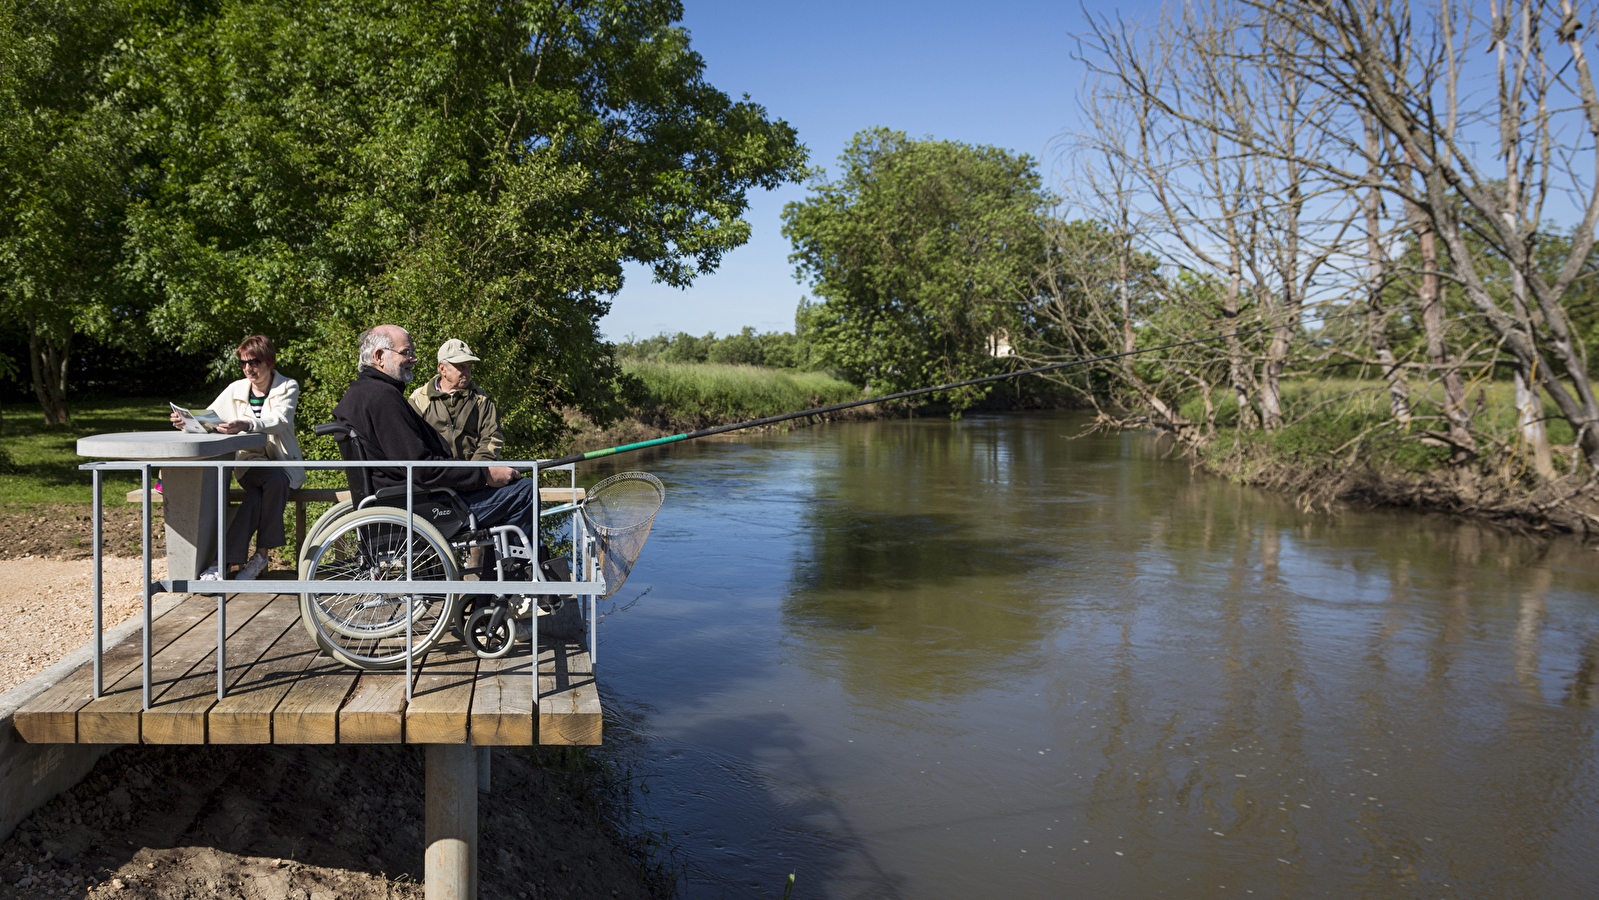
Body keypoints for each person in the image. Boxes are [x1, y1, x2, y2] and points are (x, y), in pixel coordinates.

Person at [331, 325, 538, 546]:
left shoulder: (359, 394)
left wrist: (480, 472)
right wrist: (483, 475)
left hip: (402, 500)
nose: (414, 359)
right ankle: (512, 577)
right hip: (419, 507)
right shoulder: (383, 399)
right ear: (380, 356)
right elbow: (422, 468)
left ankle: (499, 574)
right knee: (524, 491)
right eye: (406, 353)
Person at [168, 335, 304, 580]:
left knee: (259, 494)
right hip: (250, 464)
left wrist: (248, 424)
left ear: (269, 361)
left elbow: (281, 420)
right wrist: (185, 421)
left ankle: (223, 562)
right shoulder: (235, 389)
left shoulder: (288, 386)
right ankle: (260, 556)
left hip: (283, 463)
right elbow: (210, 417)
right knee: (272, 482)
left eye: (254, 362)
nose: (248, 368)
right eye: (243, 363)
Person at [407, 338, 504, 462]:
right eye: (461, 367)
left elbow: (492, 438)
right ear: (442, 369)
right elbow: (412, 440)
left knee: (525, 482)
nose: (467, 372)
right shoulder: (419, 399)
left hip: (473, 474)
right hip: (435, 474)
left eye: (469, 367)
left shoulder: (480, 399)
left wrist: (476, 470)